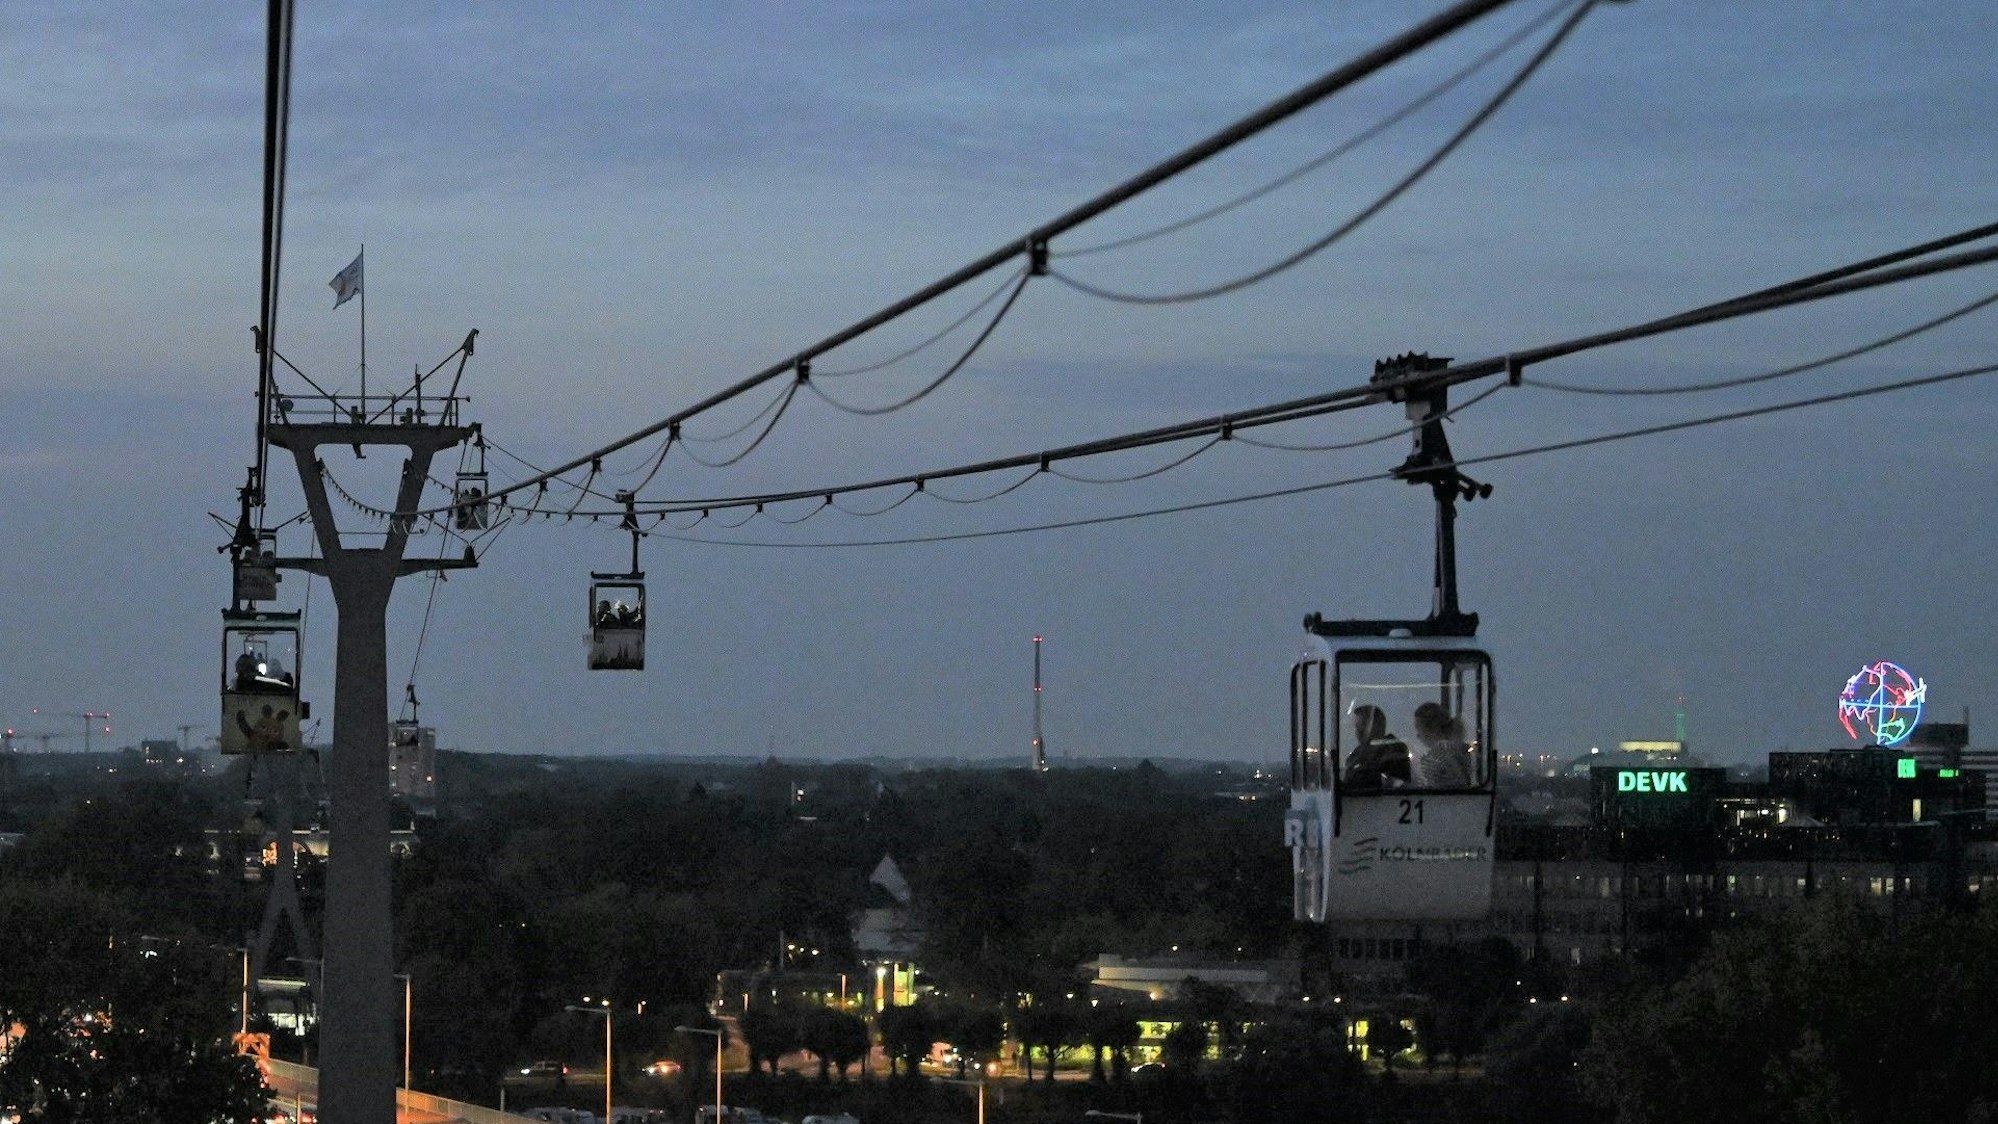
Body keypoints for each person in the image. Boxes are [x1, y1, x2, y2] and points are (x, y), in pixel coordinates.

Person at [1343, 704, 1410, 792]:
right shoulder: (1359, 751)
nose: (1358, 731)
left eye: (1363, 726)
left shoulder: (1394, 748)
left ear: (1378, 725)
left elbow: (1381, 779)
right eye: (1357, 727)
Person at [1414, 702, 1474, 788]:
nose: (1418, 736)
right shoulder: (1461, 752)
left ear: (1432, 729)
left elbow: (1426, 790)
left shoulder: (1434, 758)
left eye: (1419, 729)